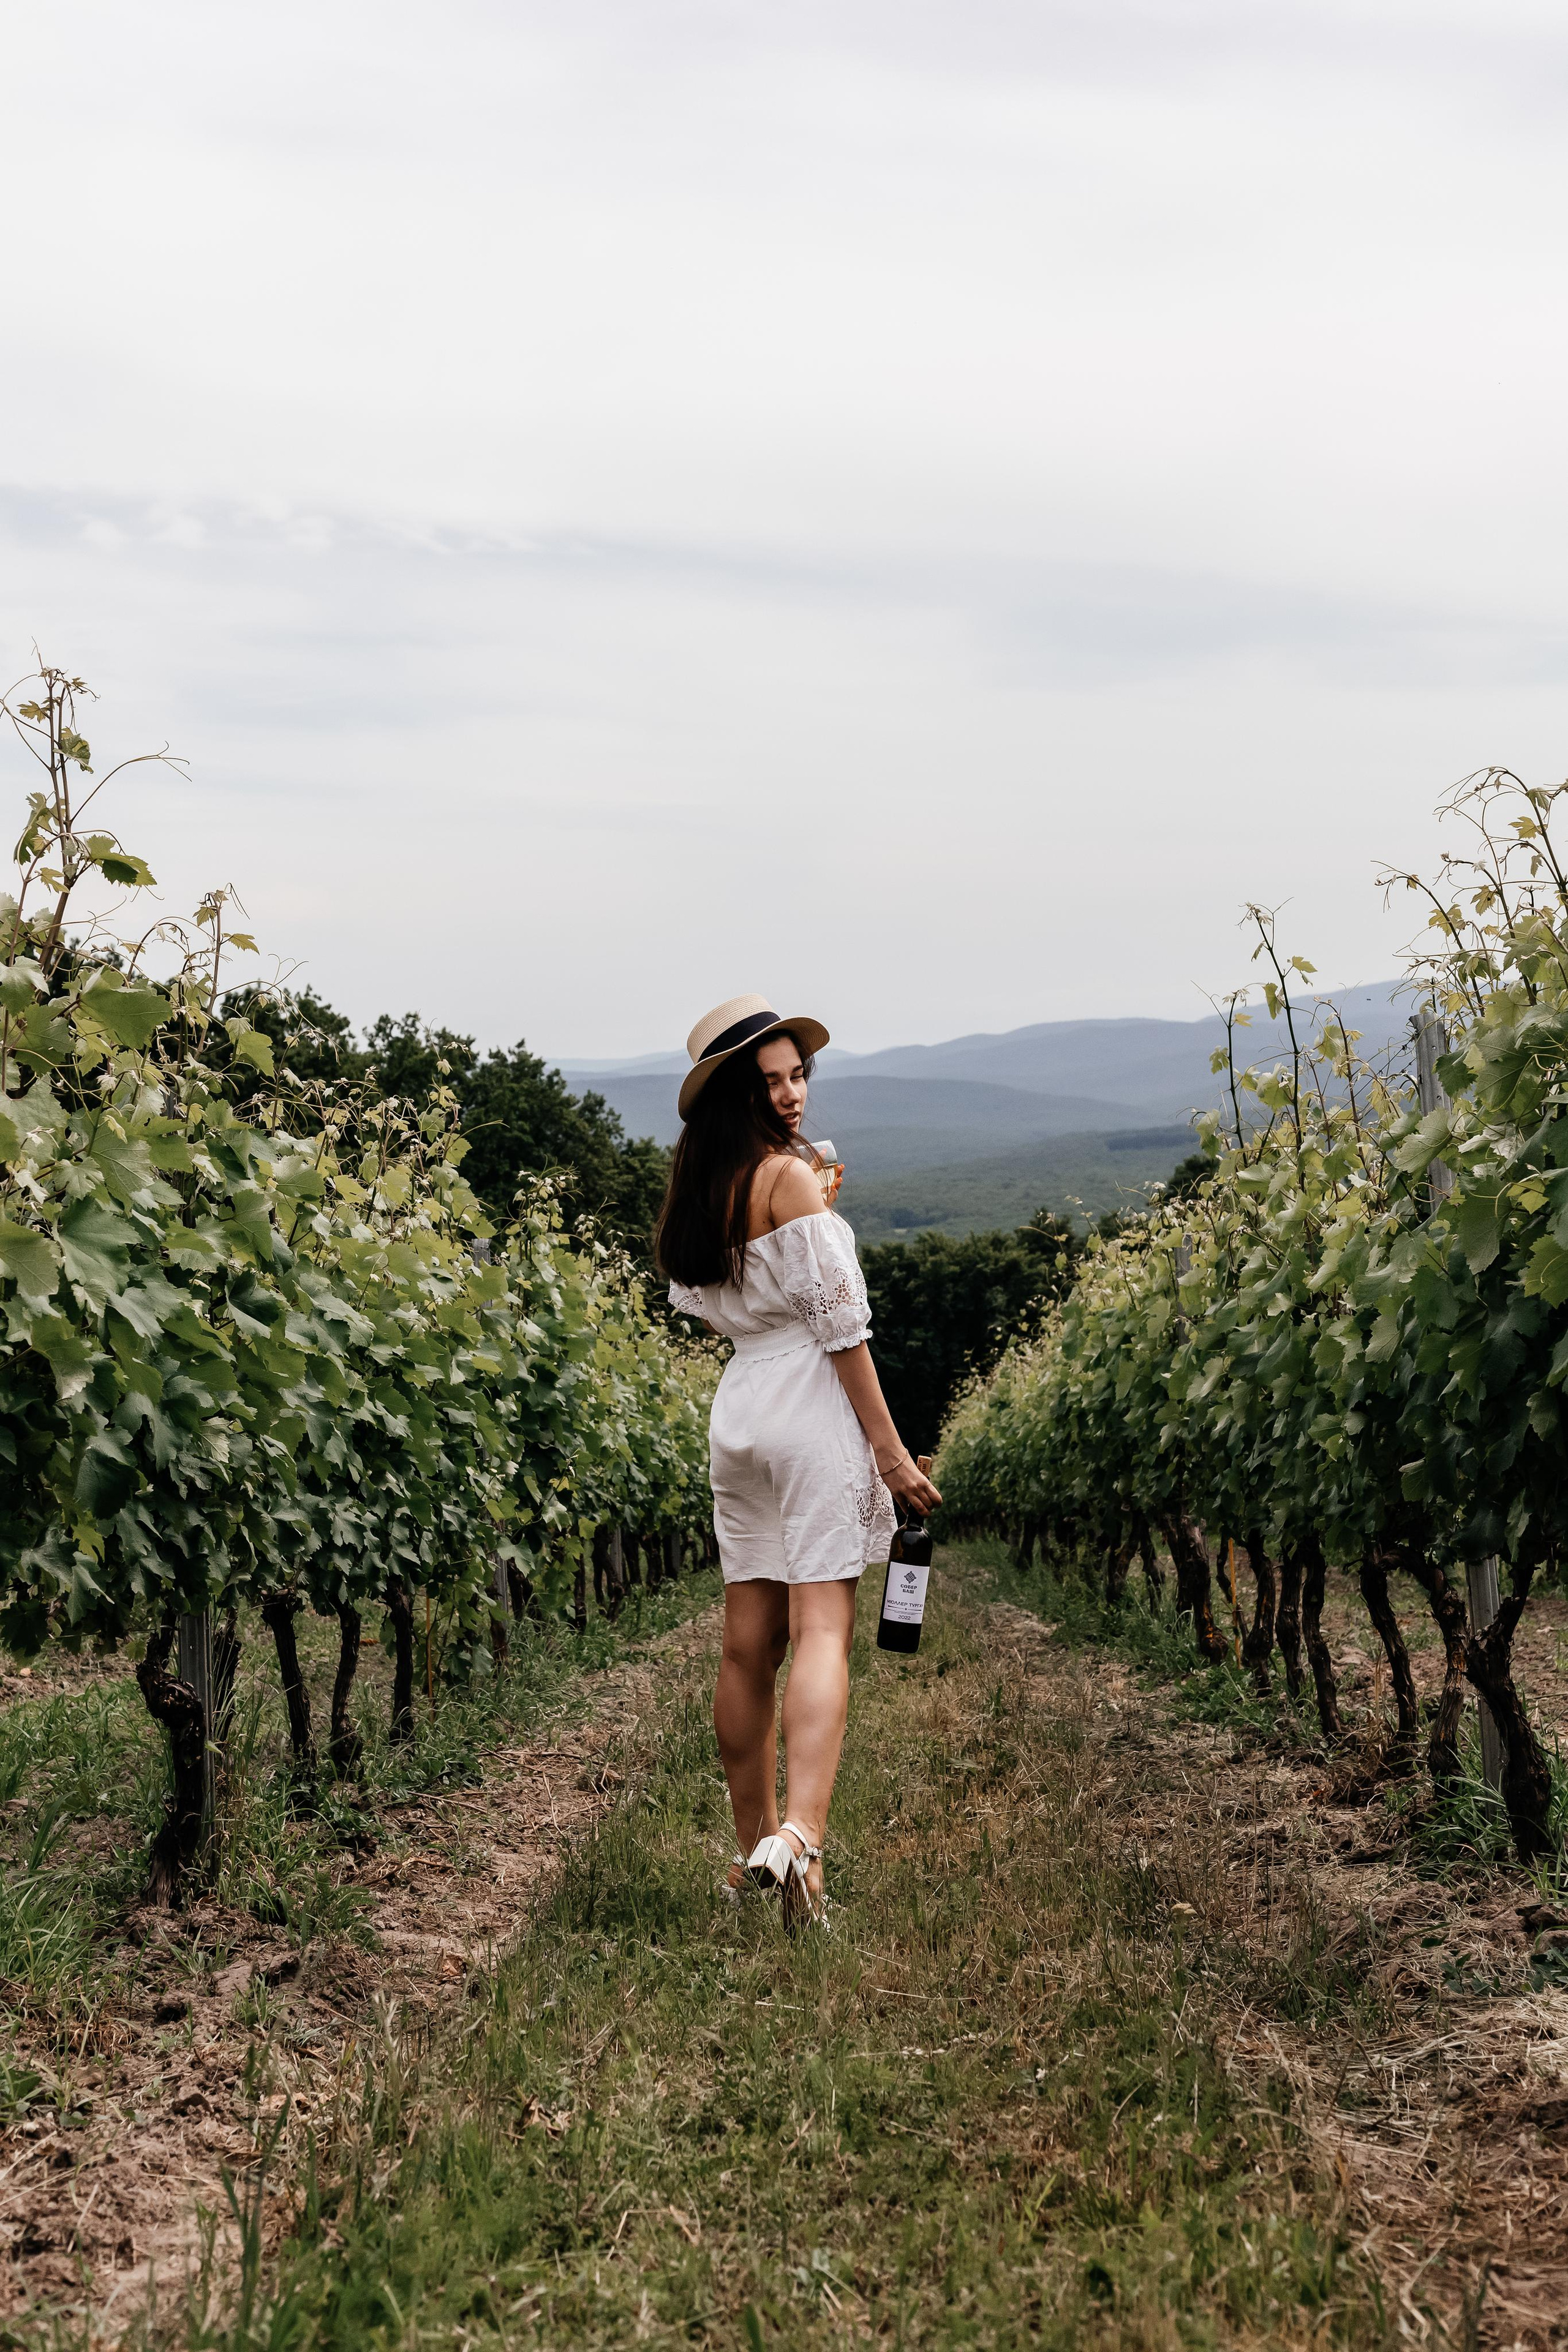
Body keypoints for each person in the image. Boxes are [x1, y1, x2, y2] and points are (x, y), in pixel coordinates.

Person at [656, 992, 942, 1925]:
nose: (790, 1094)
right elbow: (841, 1328)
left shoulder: (705, 1187)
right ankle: (804, 1844)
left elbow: (723, 1303)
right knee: (822, 1630)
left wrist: (816, 1208)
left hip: (740, 1410)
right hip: (808, 1404)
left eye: (797, 1074)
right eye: (770, 1081)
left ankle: (751, 1855)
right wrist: (891, 1455)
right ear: (737, 1093)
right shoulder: (789, 1179)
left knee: (747, 1646)